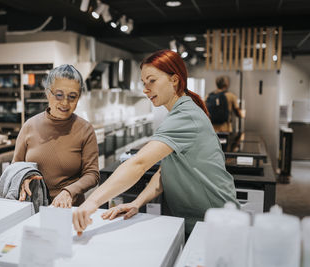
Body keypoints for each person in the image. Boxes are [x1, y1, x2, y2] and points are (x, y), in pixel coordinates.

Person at [72, 50, 239, 236]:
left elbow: (139, 163)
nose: (145, 88)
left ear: (174, 80)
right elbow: (165, 171)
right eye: (144, 82)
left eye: (152, 80)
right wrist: (136, 203)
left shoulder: (186, 116)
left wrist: (91, 202)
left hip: (215, 223)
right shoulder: (180, 113)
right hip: (202, 221)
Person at [12, 64, 100, 208]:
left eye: (72, 97)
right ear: (48, 93)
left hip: (68, 209)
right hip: (32, 207)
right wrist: (22, 178)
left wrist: (69, 191)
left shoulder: (85, 129)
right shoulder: (30, 125)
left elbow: (92, 175)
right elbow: (16, 166)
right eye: (59, 95)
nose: (65, 103)